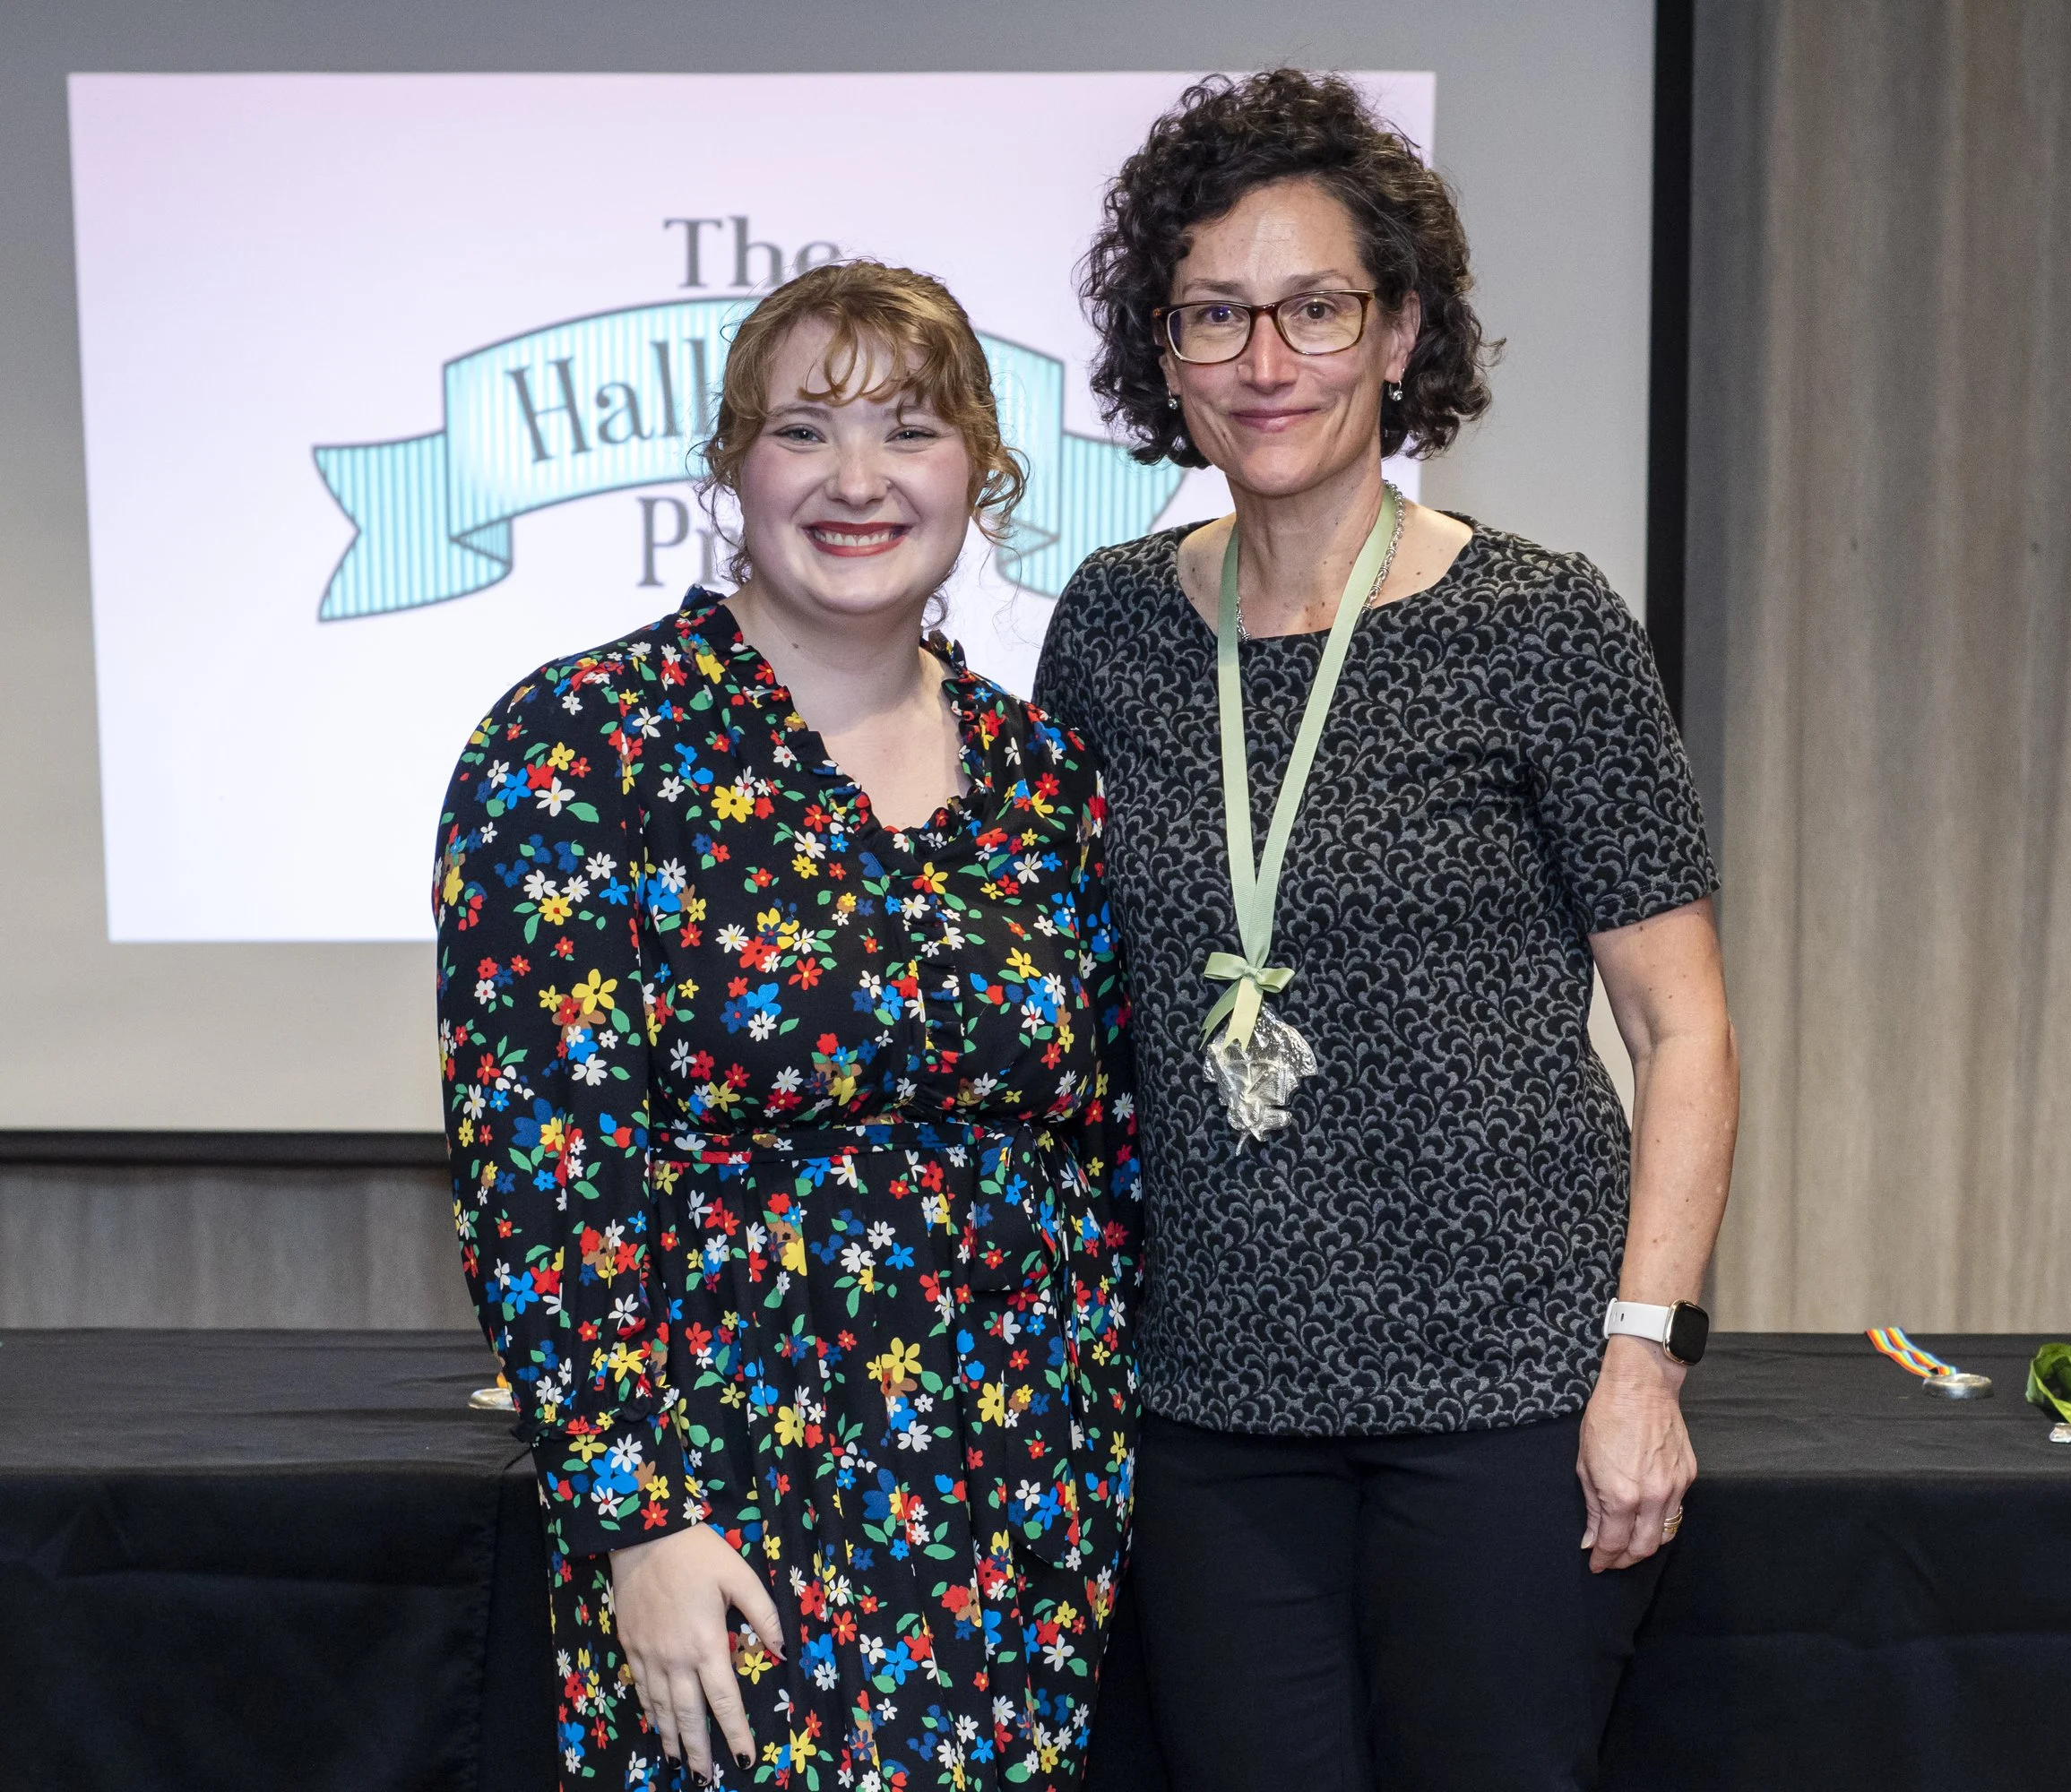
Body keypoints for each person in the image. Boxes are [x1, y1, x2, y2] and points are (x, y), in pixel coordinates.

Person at [1036, 72, 1739, 1792]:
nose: (1265, 360)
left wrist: (1641, 1361)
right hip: (1208, 1399)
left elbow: (1684, 1028)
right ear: (1163, 353)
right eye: (1215, 314)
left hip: (1506, 1391)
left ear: (1401, 330)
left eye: (1317, 308)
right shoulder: (1112, 625)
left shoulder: (1540, 622)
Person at [434, 261, 1140, 1792]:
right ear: (733, 468)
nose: (858, 479)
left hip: (1028, 1487)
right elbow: (541, 1171)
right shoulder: (582, 745)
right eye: (805, 431)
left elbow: (1109, 1147)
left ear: (981, 472)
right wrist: (637, 1522)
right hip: (732, 1492)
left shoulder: (1045, 775)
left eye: (911, 430)